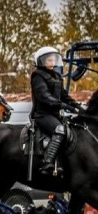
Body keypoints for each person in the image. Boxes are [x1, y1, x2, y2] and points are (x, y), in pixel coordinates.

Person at [30, 46, 81, 176]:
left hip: (55, 114)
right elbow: (44, 97)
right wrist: (63, 106)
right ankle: (47, 163)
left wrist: (76, 105)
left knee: (71, 131)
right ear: (41, 62)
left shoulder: (57, 76)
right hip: (42, 115)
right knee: (59, 130)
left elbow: (63, 95)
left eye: (53, 59)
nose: (52, 62)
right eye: (48, 60)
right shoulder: (38, 76)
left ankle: (63, 164)